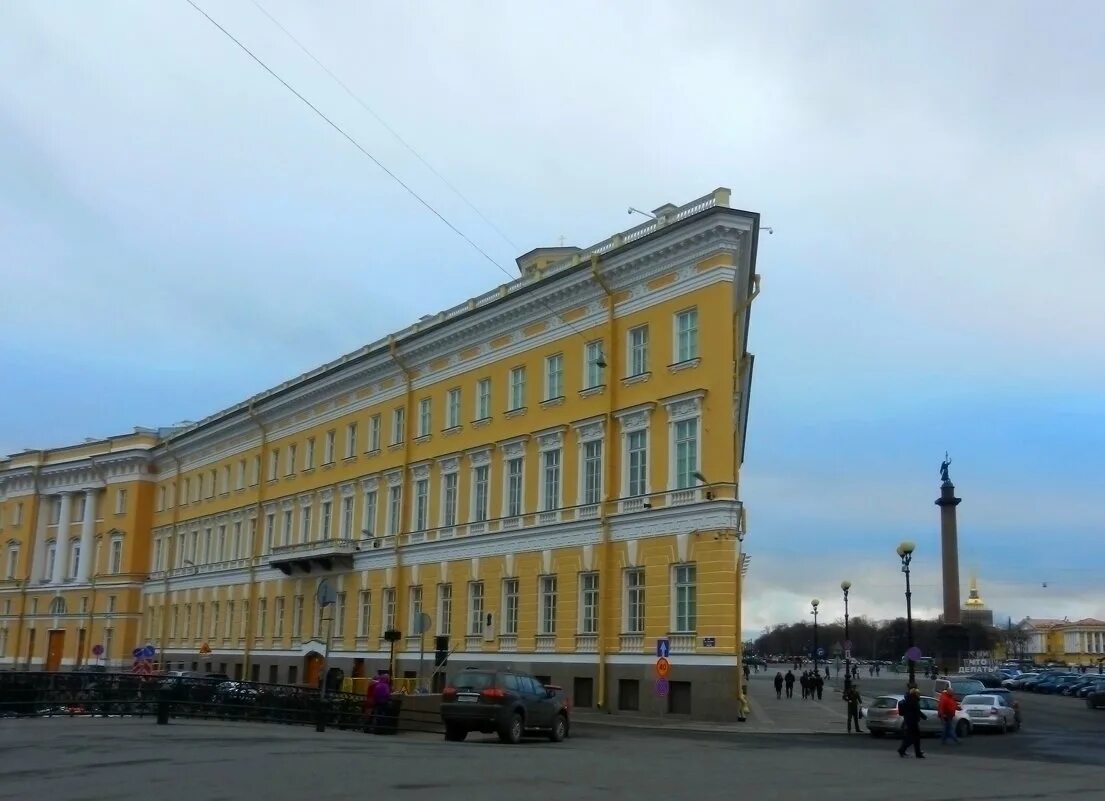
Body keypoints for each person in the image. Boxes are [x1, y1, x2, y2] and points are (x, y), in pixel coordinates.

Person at [897, 688, 927, 758]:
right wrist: (923, 717)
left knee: (913, 737)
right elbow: (917, 711)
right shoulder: (914, 700)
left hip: (909, 720)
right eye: (918, 693)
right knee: (914, 737)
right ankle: (903, 749)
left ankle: (916, 752)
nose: (919, 695)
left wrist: (923, 716)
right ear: (915, 694)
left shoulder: (909, 699)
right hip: (912, 721)